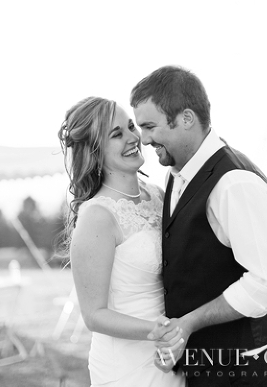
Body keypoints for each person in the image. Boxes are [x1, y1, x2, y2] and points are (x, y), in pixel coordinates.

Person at [131, 66, 267, 385]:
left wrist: (190, 322)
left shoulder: (233, 184)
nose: (144, 139)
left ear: (187, 118)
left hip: (242, 368)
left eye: (150, 126)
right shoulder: (177, 172)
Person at [60, 96, 185, 387]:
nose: (133, 138)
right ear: (95, 152)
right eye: (117, 134)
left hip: (170, 351)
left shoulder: (157, 195)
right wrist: (155, 330)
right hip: (127, 366)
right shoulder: (98, 216)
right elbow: (93, 315)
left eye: (131, 127)